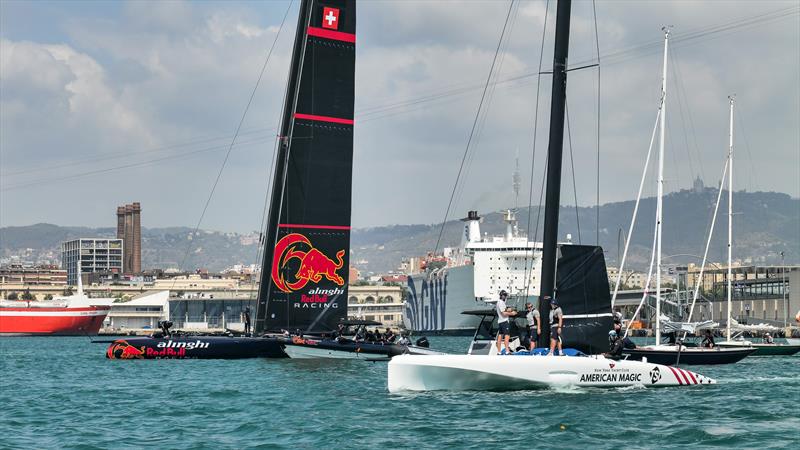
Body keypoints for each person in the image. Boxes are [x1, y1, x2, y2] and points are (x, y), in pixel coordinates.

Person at [495, 290, 517, 355]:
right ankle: (507, 351)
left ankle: (499, 352)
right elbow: (503, 313)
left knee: (500, 336)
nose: (506, 297)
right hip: (504, 321)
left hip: (500, 321)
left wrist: (509, 309)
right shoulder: (501, 302)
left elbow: (504, 310)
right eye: (505, 295)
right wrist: (512, 313)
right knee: (507, 336)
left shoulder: (499, 302)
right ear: (502, 296)